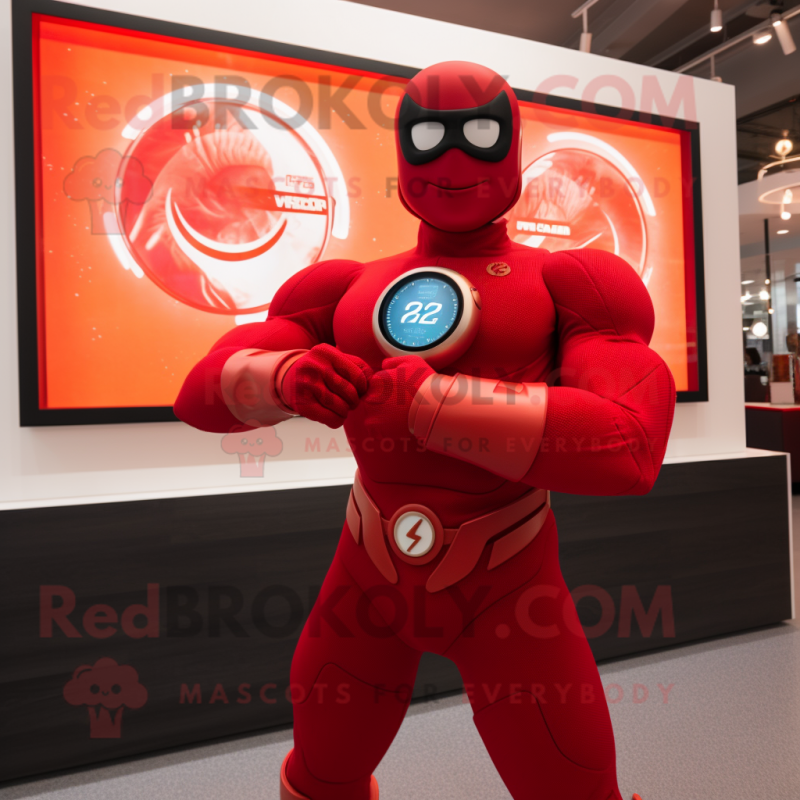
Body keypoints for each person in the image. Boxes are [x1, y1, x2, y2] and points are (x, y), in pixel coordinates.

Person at [175, 61, 675, 800]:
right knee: (321, 778)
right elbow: (198, 395)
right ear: (403, 150)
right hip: (367, 582)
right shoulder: (342, 287)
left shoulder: (573, 283)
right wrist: (283, 378)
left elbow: (630, 446)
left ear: (511, 145)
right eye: (430, 136)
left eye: (480, 134)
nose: (453, 159)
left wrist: (438, 406)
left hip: (509, 588)